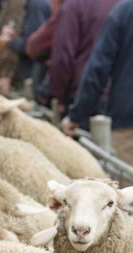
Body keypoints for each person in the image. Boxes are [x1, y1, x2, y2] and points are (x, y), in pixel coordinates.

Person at [62, 0, 133, 164]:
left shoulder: (124, 11)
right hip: (126, 118)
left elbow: (98, 68)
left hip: (127, 124)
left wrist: (76, 115)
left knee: (128, 186)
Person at [49, 0, 119, 110]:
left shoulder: (75, 5)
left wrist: (58, 97)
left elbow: (62, 58)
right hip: (120, 98)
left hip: (82, 96)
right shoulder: (125, 6)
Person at [0, 0, 50, 95]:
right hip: (19, 75)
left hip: (26, 78)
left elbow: (34, 46)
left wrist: (10, 42)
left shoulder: (37, 5)